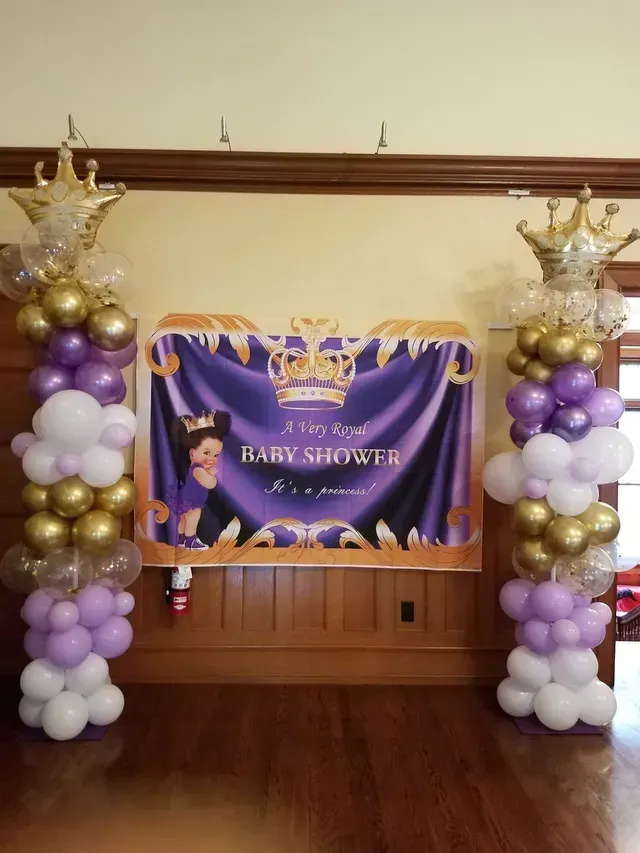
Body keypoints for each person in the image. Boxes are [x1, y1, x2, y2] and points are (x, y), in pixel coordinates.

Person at [170, 410, 231, 550]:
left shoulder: (196, 468)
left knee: (184, 520)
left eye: (216, 455)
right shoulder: (197, 469)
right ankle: (191, 540)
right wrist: (212, 476)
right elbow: (210, 484)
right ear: (192, 453)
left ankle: (181, 539)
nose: (211, 459)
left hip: (186, 498)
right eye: (207, 453)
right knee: (192, 518)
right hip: (192, 501)